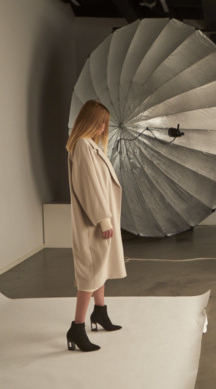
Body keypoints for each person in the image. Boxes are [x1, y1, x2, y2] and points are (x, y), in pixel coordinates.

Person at [64, 100, 127, 352]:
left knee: (99, 267)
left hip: (100, 219)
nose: (103, 128)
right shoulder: (82, 146)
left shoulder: (90, 147)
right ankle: (76, 328)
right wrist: (103, 219)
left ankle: (99, 313)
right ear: (90, 121)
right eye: (101, 123)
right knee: (89, 274)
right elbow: (89, 186)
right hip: (92, 221)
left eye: (105, 124)